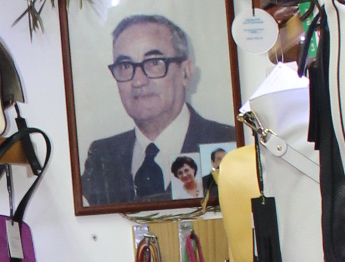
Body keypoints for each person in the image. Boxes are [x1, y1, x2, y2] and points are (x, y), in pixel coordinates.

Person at [79, 12, 235, 207]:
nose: (138, 81)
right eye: (125, 66)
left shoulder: (227, 143)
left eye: (154, 63)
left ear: (186, 72)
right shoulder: (102, 156)